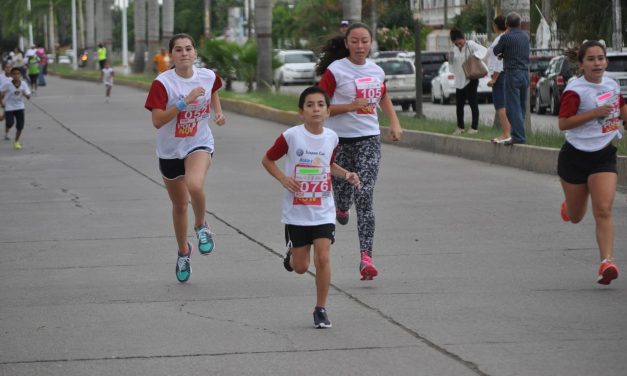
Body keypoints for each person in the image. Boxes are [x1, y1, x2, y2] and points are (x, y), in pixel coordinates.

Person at [262, 86, 361, 328]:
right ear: (301, 111)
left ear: (328, 111)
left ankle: (321, 308)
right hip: (297, 212)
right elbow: (267, 160)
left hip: (323, 210)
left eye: (320, 105)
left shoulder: (332, 137)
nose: (315, 109)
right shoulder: (291, 136)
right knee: (300, 267)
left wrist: (346, 174)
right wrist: (283, 179)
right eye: (310, 105)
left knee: (323, 258)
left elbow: (329, 165)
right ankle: (291, 255)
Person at [316, 22, 403, 281]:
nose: (360, 46)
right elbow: (321, 106)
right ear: (346, 44)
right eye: (354, 41)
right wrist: (351, 106)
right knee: (342, 196)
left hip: (369, 141)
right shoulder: (336, 71)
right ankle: (342, 208)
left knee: (364, 194)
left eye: (365, 41)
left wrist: (395, 122)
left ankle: (367, 258)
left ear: (371, 43)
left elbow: (383, 95)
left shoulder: (376, 70)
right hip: (338, 142)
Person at [144, 33, 226, 283]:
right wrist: (184, 103)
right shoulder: (163, 83)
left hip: (199, 142)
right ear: (171, 55)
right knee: (179, 206)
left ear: (195, 53)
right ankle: (183, 252)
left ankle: (201, 226)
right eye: (178, 50)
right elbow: (157, 121)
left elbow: (213, 91)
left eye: (188, 49)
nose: (184, 53)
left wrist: (218, 112)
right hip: (170, 151)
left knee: (195, 184)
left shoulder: (208, 75)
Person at [557, 40, 627, 286]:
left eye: (601, 58)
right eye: (591, 59)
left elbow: (619, 107)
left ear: (606, 61)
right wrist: (594, 114)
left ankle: (606, 262)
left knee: (604, 209)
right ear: (581, 64)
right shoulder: (576, 90)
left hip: (603, 154)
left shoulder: (611, 83)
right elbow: (563, 123)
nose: (597, 63)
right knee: (576, 216)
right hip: (575, 156)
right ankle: (569, 206)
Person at [493, 12, 530, 145]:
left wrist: (503, 53)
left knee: (512, 108)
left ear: (507, 24)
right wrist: (505, 54)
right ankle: (518, 134)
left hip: (512, 74)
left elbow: (495, 51)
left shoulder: (505, 37)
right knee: (521, 107)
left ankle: (519, 137)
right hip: (525, 74)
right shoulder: (525, 37)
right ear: (519, 24)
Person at [449, 28, 487, 135]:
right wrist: (450, 59)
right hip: (459, 80)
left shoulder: (471, 44)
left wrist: (474, 56)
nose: (459, 45)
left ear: (464, 38)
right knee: (459, 106)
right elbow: (451, 67)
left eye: (460, 43)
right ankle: (460, 127)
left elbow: (484, 50)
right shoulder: (453, 49)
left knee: (473, 104)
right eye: (456, 44)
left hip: (471, 79)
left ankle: (474, 128)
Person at [486, 15, 512, 144]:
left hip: (499, 75)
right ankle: (507, 132)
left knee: (500, 106)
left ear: (496, 26)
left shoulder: (500, 39)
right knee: (503, 106)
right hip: (502, 74)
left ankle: (506, 133)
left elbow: (498, 60)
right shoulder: (502, 38)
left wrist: (494, 78)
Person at [0, 67, 31, 149]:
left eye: (18, 74)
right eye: (14, 74)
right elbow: (1, 92)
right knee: (10, 123)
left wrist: (26, 94)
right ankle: (6, 132)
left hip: (20, 107)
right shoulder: (7, 83)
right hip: (9, 107)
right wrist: (1, 102)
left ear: (20, 75)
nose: (16, 75)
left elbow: (28, 96)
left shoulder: (24, 84)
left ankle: (16, 142)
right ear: (11, 75)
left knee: (20, 126)